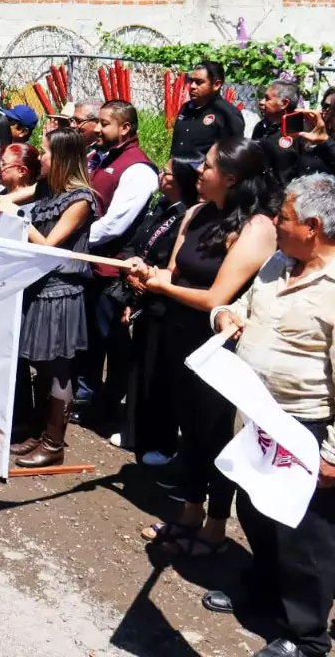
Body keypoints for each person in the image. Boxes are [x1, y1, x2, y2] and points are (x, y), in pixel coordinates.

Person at [198, 173, 335, 657]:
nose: (274, 224)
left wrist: (333, 455)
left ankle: (307, 636)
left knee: (304, 538)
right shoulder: (279, 262)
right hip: (255, 414)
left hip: (305, 428)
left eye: (284, 218)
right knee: (256, 512)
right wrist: (225, 316)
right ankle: (262, 593)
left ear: (314, 226)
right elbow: (240, 304)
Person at [132, 137, 279, 556]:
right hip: (179, 335)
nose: (199, 170)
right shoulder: (195, 213)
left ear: (231, 179)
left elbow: (218, 297)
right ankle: (190, 514)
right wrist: (148, 273)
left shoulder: (257, 228)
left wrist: (163, 285)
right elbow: (175, 272)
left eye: (209, 165)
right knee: (189, 429)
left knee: (216, 433)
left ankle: (215, 528)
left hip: (220, 344)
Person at [0, 127, 97, 467]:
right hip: (39, 288)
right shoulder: (46, 189)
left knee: (57, 369)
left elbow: (51, 246)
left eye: (47, 152)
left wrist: (19, 222)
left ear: (65, 158)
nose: (41, 157)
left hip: (62, 293)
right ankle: (40, 433)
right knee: (38, 363)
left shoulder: (81, 199)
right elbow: (5, 200)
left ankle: (54, 444)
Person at [76, 101, 159, 429]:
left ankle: (113, 410)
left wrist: (73, 239)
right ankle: (90, 398)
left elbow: (115, 224)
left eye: (105, 124)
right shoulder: (103, 157)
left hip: (113, 269)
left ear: (125, 128)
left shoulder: (137, 169)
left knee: (113, 342)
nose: (97, 128)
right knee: (91, 339)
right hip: (92, 264)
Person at [118, 157, 199, 466]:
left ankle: (162, 442)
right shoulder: (158, 207)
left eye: (165, 172)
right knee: (139, 368)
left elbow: (170, 262)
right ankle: (136, 432)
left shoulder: (185, 216)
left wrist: (149, 279)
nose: (160, 176)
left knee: (160, 375)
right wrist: (133, 276)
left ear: (176, 181)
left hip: (164, 301)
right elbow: (137, 245)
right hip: (143, 292)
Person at [170, 61, 245, 161]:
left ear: (216, 85)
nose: (192, 86)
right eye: (191, 81)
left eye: (199, 82)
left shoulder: (227, 114)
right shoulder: (186, 108)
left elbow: (232, 156)